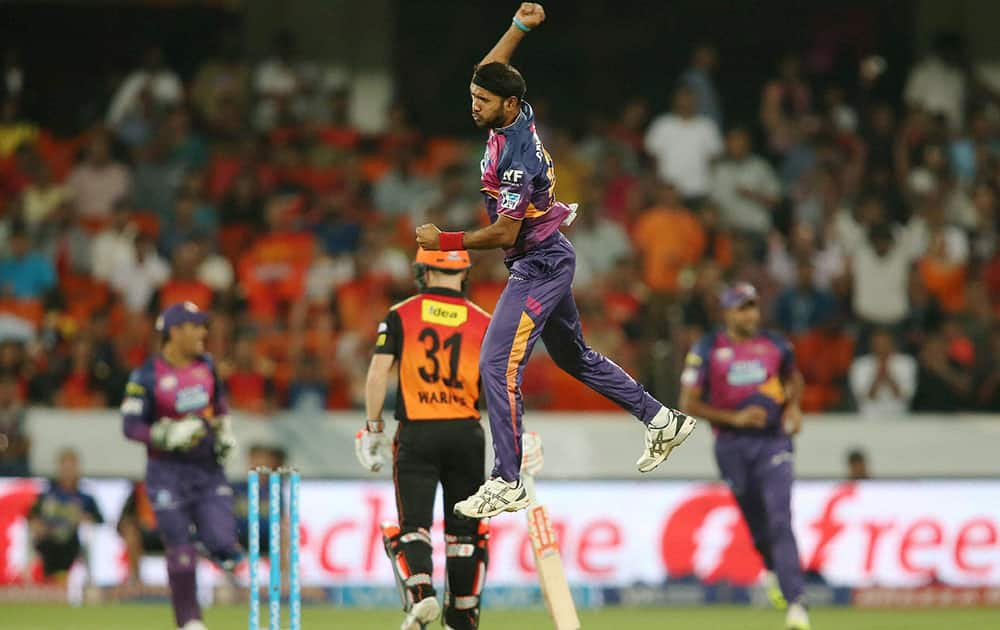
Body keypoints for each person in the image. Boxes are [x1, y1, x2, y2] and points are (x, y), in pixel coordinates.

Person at [415, 2, 696, 518]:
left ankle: (507, 480)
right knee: (574, 357)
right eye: (473, 96)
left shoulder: (518, 157)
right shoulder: (513, 111)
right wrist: (519, 27)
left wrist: (444, 241)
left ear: (510, 103)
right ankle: (662, 420)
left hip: (539, 265)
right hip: (548, 257)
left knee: (497, 364)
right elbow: (487, 68)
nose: (473, 106)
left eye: (482, 100)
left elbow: (504, 231)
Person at [356, 248, 492, 630]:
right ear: (464, 273)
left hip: (419, 430)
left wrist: (373, 428)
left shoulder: (402, 314)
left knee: (413, 527)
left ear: (422, 271)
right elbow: (502, 386)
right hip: (466, 432)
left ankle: (422, 594)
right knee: (465, 534)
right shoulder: (484, 321)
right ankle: (461, 618)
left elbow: (377, 373)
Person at [679, 283, 810, 630]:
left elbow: (793, 378)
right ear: (727, 313)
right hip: (732, 446)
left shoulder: (776, 345)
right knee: (757, 522)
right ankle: (771, 566)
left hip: (773, 442)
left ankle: (797, 604)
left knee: (780, 517)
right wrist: (734, 418)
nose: (750, 314)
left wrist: (794, 408)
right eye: (741, 308)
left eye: (753, 306)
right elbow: (688, 403)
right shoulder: (708, 349)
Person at [121, 301, 240, 630]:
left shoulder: (207, 365)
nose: (203, 332)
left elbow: (219, 405)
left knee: (223, 545)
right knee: (180, 546)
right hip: (167, 474)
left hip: (207, 470)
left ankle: (214, 543)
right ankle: (190, 621)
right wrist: (164, 433)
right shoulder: (147, 374)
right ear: (174, 331)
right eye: (195, 326)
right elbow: (130, 427)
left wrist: (224, 430)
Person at [28, 448, 103, 579]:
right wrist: (37, 526)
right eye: (65, 467)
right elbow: (32, 517)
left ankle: (69, 581)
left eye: (71, 467)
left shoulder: (86, 497)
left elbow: (100, 521)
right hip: (47, 541)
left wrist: (86, 519)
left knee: (69, 544)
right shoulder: (46, 495)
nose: (68, 472)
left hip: (73, 543)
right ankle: (44, 582)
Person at [116, 479, 164, 585]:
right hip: (143, 536)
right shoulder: (136, 493)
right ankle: (135, 579)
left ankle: (179, 575)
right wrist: (137, 523)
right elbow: (121, 524)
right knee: (130, 533)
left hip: (167, 534)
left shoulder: (168, 489)